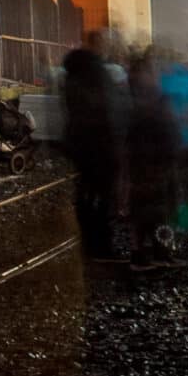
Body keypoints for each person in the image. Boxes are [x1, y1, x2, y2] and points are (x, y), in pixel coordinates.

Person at [62, 33, 124, 262]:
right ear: (99, 45)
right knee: (104, 196)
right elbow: (109, 110)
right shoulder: (97, 73)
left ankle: (88, 243)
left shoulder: (72, 73)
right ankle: (101, 246)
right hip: (102, 143)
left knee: (87, 193)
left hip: (80, 141)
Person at [124, 54, 180, 272]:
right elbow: (164, 128)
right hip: (154, 159)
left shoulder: (137, 97)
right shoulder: (152, 100)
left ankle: (148, 252)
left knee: (146, 209)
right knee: (159, 209)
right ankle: (157, 252)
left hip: (145, 159)